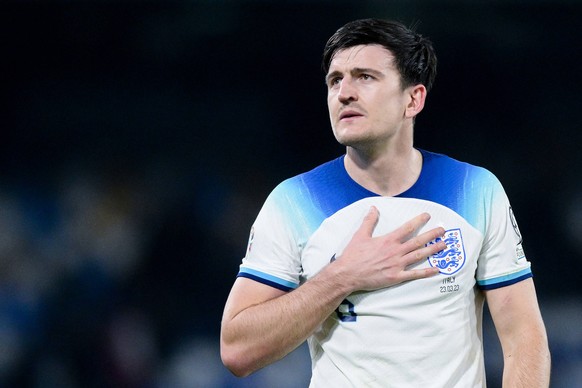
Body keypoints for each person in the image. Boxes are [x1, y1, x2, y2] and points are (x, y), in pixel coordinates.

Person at [220, 18, 551, 387]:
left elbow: (524, 336)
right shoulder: (292, 201)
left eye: (365, 77)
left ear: (413, 99)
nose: (344, 92)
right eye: (335, 80)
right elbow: (237, 350)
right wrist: (343, 276)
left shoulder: (476, 189)